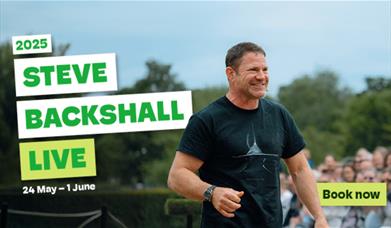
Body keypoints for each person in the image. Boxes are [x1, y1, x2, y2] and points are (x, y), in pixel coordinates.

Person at [167, 42, 328, 228]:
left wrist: (319, 216)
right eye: (253, 70)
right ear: (230, 74)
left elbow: (300, 169)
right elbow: (177, 176)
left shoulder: (279, 115)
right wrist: (211, 192)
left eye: (265, 69)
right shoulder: (207, 120)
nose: (261, 77)